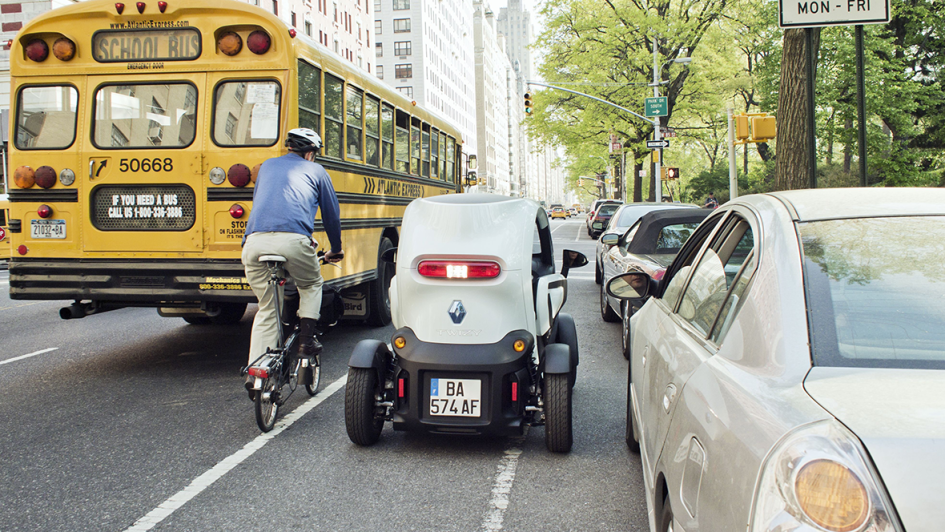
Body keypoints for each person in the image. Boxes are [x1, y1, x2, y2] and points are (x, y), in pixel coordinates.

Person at [241, 128, 343, 394]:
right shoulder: (317, 171)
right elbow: (331, 215)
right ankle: (307, 342)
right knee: (311, 285)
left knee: (267, 309)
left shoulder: (266, 168)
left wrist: (247, 241)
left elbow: (257, 204)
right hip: (294, 241)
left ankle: (257, 372)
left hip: (254, 243)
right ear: (310, 153)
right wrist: (336, 248)